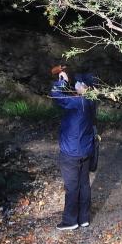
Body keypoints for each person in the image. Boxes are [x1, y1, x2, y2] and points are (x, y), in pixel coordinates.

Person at [50, 65, 97, 231]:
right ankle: (84, 218)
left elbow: (56, 95)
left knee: (72, 187)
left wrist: (62, 82)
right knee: (84, 185)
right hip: (85, 150)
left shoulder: (77, 103)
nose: (76, 84)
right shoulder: (90, 101)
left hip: (71, 152)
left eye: (79, 83)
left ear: (84, 87)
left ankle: (70, 221)